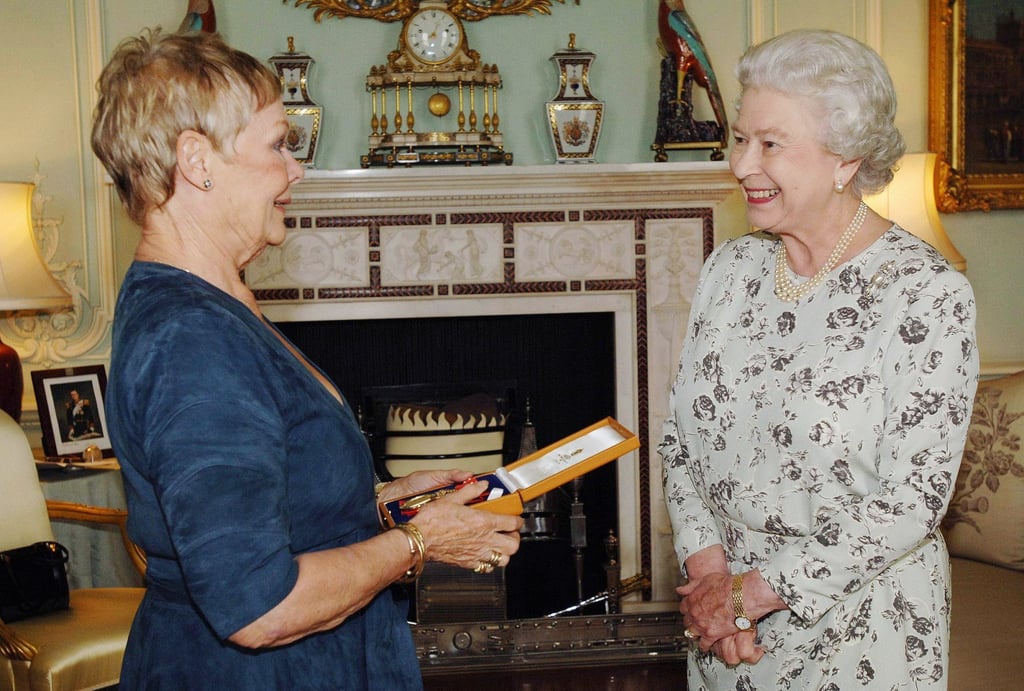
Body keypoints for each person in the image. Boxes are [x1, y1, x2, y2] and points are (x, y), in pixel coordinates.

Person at [91, 29, 521, 689]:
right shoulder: (194, 341)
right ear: (197, 159)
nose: (296, 169)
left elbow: (263, 493)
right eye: (277, 144)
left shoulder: (217, 305)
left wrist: (381, 500)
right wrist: (419, 543)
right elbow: (259, 605)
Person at [659, 29, 978, 689]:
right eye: (740, 138)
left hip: (860, 631)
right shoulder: (731, 267)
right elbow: (679, 438)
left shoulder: (924, 293)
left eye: (770, 144)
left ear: (845, 158)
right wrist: (713, 579)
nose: (742, 164)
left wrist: (751, 594)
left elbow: (912, 498)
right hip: (724, 633)